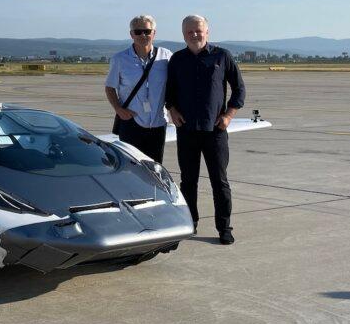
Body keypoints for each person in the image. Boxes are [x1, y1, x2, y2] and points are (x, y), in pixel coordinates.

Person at [165, 15, 245, 245]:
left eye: (198, 31)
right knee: (188, 181)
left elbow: (239, 89)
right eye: (189, 32)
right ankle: (190, 223)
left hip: (215, 131)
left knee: (219, 182)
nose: (194, 35)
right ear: (183, 35)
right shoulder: (177, 60)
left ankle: (224, 227)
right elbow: (168, 90)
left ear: (207, 32)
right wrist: (171, 108)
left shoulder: (222, 56)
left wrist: (229, 115)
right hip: (187, 130)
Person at [105, 15, 172, 163]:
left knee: (154, 167)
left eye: (147, 31)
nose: (143, 35)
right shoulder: (120, 59)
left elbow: (176, 86)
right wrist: (118, 109)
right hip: (131, 121)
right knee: (131, 168)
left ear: (154, 33)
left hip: (158, 122)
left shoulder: (166, 57)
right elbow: (110, 87)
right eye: (138, 32)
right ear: (131, 34)